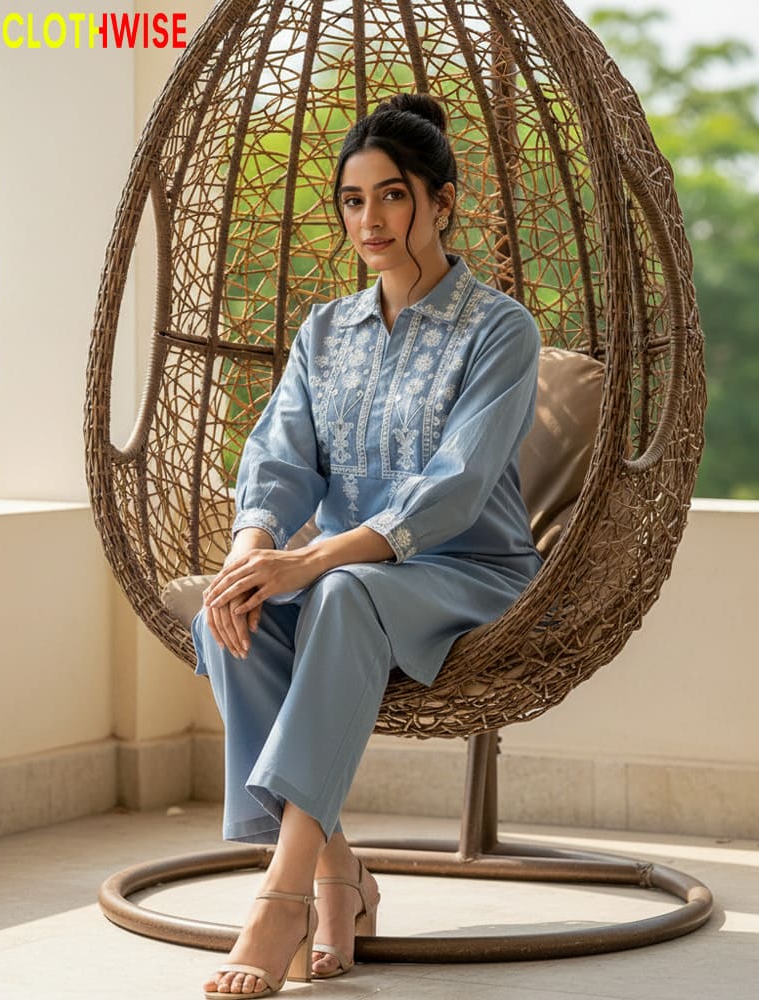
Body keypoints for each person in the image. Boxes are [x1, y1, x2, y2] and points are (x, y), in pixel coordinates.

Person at [192, 92, 543, 998]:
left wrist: (313, 559)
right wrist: (253, 545)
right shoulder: (325, 331)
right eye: (354, 200)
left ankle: (282, 898)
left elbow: (460, 485)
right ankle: (337, 868)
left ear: (441, 202)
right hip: (353, 570)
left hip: (469, 571)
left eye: (392, 196)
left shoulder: (500, 328)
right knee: (226, 606)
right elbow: (279, 454)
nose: (371, 220)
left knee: (339, 593)